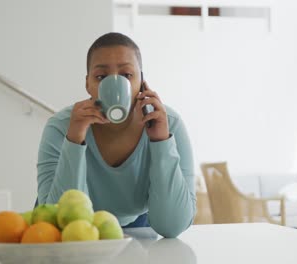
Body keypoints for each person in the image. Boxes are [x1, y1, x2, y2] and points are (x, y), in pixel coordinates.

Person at [37, 32, 195, 238]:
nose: (115, 83)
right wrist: (74, 140)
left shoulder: (168, 123)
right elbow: (59, 223)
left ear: (142, 81)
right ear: (88, 84)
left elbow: (172, 226)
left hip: (142, 224)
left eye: (127, 75)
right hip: (78, 229)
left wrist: (160, 141)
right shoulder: (61, 127)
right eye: (101, 77)